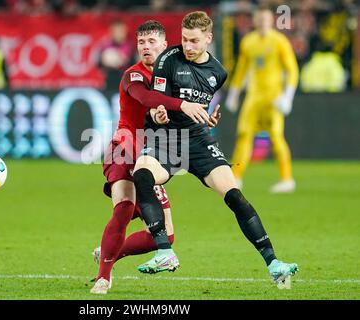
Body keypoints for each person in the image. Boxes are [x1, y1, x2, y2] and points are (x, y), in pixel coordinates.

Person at [132, 11, 298, 287]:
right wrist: (157, 114)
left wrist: (208, 118)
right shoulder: (167, 60)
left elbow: (200, 104)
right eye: (184, 39)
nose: (187, 46)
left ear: (208, 38)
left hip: (199, 141)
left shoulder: (218, 73)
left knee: (234, 195)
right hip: (168, 139)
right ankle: (164, 252)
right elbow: (157, 102)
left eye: (194, 41)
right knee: (142, 175)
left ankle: (274, 263)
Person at [91, 20, 218, 294]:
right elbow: (146, 99)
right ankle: (104, 276)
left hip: (153, 156)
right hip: (124, 149)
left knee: (163, 236)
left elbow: (175, 112)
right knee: (124, 208)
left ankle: (108, 252)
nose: (145, 48)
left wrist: (202, 118)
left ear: (164, 45)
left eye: (151, 43)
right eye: (141, 43)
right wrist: (183, 104)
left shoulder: (174, 76)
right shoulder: (133, 75)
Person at [225, 5, 299, 193]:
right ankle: (237, 177)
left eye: (265, 20)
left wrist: (287, 96)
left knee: (276, 136)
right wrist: (234, 93)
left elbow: (292, 70)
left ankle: (287, 179)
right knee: (243, 134)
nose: (262, 23)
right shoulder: (248, 42)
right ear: (255, 22)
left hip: (274, 97)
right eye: (259, 20)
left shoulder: (280, 41)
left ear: (271, 21)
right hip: (254, 96)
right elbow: (242, 69)